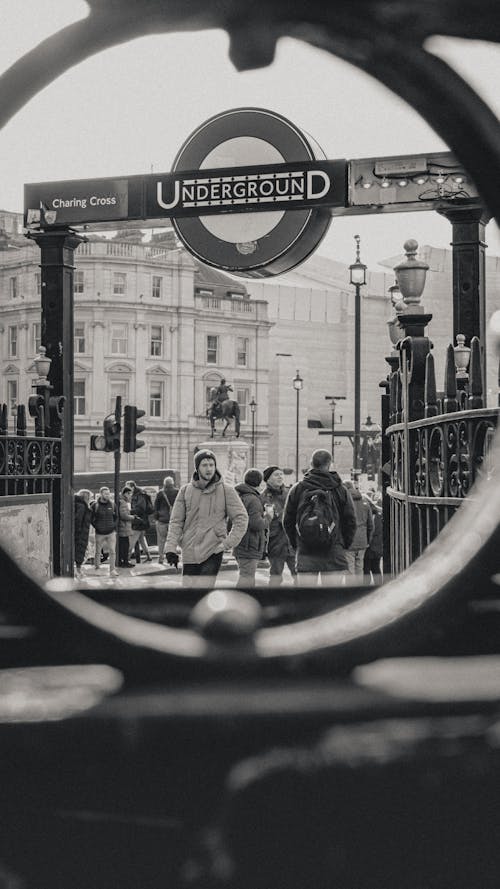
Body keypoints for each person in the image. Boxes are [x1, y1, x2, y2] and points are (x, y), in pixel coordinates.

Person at [165, 449, 248, 587]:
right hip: (189, 550)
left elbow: (241, 518)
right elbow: (176, 522)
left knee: (204, 592)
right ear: (197, 468)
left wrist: (226, 543)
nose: (209, 468)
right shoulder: (185, 490)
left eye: (211, 464)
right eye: (204, 465)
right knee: (188, 593)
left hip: (212, 550)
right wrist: (170, 548)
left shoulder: (226, 490)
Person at [283, 449, 356, 584]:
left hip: (306, 552)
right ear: (329, 464)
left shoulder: (298, 488)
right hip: (333, 552)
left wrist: (297, 543)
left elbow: (287, 521)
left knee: (307, 602)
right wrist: (343, 544)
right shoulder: (340, 489)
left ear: (311, 464)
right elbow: (350, 520)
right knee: (333, 601)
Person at [261, 465, 296, 586]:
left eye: (281, 474)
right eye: (276, 474)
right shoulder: (263, 497)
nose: (280, 477)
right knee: (275, 576)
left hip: (292, 542)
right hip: (275, 543)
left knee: (299, 575)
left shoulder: (291, 493)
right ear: (268, 479)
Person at [233, 468, 267, 588]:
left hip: (241, 542)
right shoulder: (253, 499)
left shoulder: (240, 496)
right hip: (250, 544)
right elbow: (256, 524)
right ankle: (239, 603)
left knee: (245, 576)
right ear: (260, 482)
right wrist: (268, 517)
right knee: (247, 578)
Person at [343, 480, 374, 576]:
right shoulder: (365, 501)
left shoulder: (344, 503)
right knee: (360, 568)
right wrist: (368, 540)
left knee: (350, 570)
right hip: (362, 541)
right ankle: (360, 590)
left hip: (349, 542)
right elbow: (370, 525)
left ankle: (351, 590)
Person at [90, 486, 118, 577]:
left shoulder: (113, 504)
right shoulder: (95, 505)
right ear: (101, 494)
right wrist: (97, 527)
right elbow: (91, 518)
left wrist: (113, 525)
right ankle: (97, 567)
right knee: (98, 551)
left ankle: (112, 570)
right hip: (99, 533)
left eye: (109, 493)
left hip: (111, 532)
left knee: (112, 551)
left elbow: (117, 517)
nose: (108, 495)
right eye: (106, 493)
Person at [125, 480, 154, 563]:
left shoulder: (139, 495)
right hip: (142, 521)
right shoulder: (139, 494)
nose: (127, 490)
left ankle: (127, 558)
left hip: (139, 521)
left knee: (132, 540)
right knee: (141, 539)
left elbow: (141, 508)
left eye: (128, 487)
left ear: (133, 487)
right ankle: (148, 556)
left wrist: (130, 511)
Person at [154, 476, 179, 564]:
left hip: (162, 520)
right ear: (172, 483)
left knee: (161, 540)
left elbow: (156, 507)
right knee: (173, 540)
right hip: (174, 521)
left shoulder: (160, 493)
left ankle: (161, 558)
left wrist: (157, 518)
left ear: (164, 484)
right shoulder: (177, 492)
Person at [363, 495, 383, 582]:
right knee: (372, 568)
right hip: (374, 547)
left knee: (370, 568)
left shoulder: (371, 515)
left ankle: (369, 589)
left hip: (371, 547)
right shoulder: (378, 515)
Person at [74, 488, 92, 579]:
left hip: (81, 532)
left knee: (79, 551)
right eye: (90, 497)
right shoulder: (82, 506)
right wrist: (79, 531)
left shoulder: (79, 504)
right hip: (81, 533)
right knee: (80, 551)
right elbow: (78, 520)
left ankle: (78, 571)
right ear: (86, 497)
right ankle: (78, 571)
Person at [117, 486, 135, 568]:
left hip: (122, 527)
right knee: (125, 546)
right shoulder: (123, 502)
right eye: (129, 493)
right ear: (125, 493)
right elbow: (123, 515)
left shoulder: (122, 501)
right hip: (123, 527)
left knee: (123, 545)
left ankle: (122, 561)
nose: (130, 495)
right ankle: (125, 562)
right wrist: (132, 517)